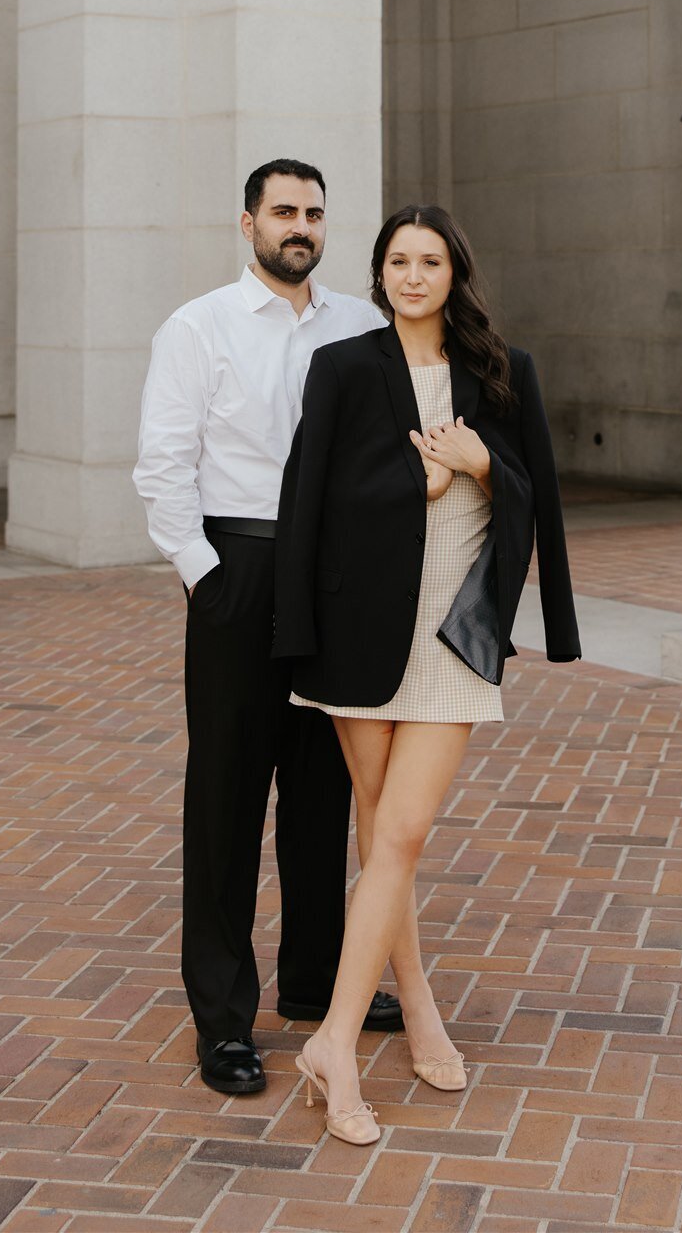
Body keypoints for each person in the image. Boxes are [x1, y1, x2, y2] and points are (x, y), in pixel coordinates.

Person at [272, 204, 581, 1144]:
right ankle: (417, 1013)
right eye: (398, 261)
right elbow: (310, 497)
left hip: (454, 637)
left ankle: (335, 1039)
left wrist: (486, 464)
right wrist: (425, 482)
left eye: (431, 261)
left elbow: (540, 501)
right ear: (380, 275)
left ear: (456, 273)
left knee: (397, 833)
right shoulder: (343, 367)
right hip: (359, 632)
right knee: (387, 839)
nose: (414, 276)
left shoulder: (502, 372)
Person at [132, 159, 400, 1099]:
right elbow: (162, 467)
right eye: (283, 211)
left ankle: (319, 983)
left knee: (325, 793)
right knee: (228, 799)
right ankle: (223, 1020)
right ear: (247, 223)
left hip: (332, 579)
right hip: (239, 568)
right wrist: (208, 580)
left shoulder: (363, 327)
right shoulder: (197, 327)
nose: (301, 226)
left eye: (314, 214)